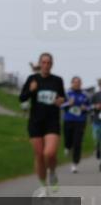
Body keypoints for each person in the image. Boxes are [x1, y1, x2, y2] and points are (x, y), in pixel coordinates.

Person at [18, 53, 65, 195]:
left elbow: (62, 97)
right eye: (43, 62)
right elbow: (22, 98)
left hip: (52, 122)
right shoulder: (32, 79)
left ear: (52, 64)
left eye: (48, 62)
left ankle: (52, 173)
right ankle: (43, 186)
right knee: (39, 155)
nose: (46, 65)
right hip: (35, 122)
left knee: (49, 153)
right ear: (39, 64)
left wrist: (60, 100)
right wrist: (30, 90)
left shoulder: (57, 80)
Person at [61, 76, 90, 173]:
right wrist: (68, 103)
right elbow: (60, 105)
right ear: (72, 83)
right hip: (68, 119)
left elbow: (90, 107)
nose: (77, 84)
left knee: (77, 142)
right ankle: (67, 147)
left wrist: (85, 108)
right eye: (75, 82)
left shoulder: (85, 95)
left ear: (81, 84)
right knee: (68, 139)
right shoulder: (67, 93)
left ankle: (74, 164)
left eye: (79, 82)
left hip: (80, 121)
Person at [92, 79, 101, 168]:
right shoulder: (95, 95)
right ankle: (97, 149)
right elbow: (89, 106)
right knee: (97, 140)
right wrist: (95, 106)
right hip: (97, 122)